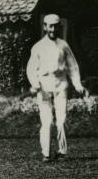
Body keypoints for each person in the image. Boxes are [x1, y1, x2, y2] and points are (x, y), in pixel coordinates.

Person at [26, 13, 85, 162]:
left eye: (55, 26)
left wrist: (77, 84)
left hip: (61, 85)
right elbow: (31, 69)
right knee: (47, 122)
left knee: (61, 120)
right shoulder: (38, 47)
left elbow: (73, 66)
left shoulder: (64, 45)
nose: (53, 29)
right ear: (45, 27)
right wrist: (35, 84)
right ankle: (46, 153)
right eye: (50, 26)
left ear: (59, 27)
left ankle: (62, 151)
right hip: (44, 86)